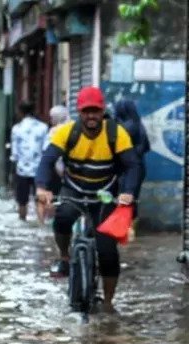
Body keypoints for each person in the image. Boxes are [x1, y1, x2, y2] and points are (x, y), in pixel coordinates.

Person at [35, 86, 141, 313]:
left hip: (105, 194)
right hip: (74, 190)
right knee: (62, 217)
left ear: (102, 110)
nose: (91, 116)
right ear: (79, 112)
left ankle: (109, 302)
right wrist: (42, 188)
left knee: (108, 251)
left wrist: (128, 191)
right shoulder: (66, 132)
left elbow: (133, 165)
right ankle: (64, 256)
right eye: (86, 111)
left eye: (95, 111)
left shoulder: (116, 133)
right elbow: (47, 160)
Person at [112, 99, 150, 220]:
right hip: (139, 167)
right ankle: (130, 226)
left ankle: (121, 227)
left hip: (125, 169)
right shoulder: (139, 124)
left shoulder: (121, 127)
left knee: (122, 198)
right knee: (132, 197)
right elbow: (147, 146)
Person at [9, 101, 48, 222]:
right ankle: (41, 222)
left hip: (22, 170)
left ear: (20, 112)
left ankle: (22, 220)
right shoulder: (43, 127)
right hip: (40, 169)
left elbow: (14, 154)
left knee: (22, 200)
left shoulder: (16, 128)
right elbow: (46, 148)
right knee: (40, 198)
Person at [41, 104, 71, 222]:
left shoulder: (55, 131)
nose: (51, 119)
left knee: (52, 199)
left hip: (56, 170)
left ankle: (49, 223)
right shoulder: (73, 127)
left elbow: (47, 151)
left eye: (52, 117)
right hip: (70, 171)